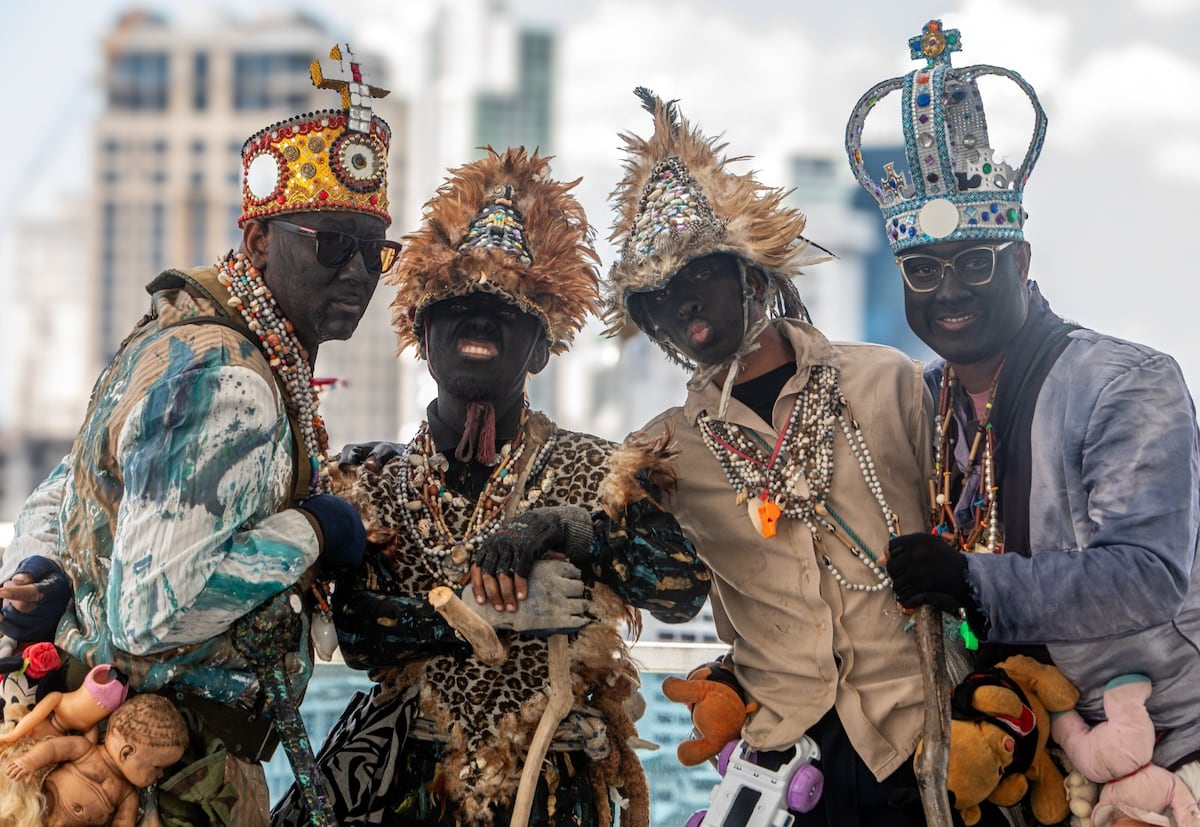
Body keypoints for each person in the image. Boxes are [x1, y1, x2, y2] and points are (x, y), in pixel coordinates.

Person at [0, 43, 398, 825]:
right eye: (329, 243)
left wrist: (45, 563)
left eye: (372, 249)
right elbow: (155, 611)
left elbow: (61, 491)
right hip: (159, 783)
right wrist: (316, 528)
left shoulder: (173, 339)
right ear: (258, 243)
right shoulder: (230, 377)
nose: (357, 272)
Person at [272, 146, 711, 827]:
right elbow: (357, 630)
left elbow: (682, 589)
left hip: (553, 790)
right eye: (459, 305)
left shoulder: (599, 470)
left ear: (540, 348)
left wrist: (570, 529)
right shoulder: (369, 478)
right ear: (423, 334)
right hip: (407, 788)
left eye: (506, 310)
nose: (479, 321)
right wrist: (480, 618)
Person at [845, 17, 1200, 807]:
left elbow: (1145, 577)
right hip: (1018, 749)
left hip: (1166, 748)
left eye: (975, 262)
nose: (949, 290)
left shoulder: (1127, 382)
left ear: (1023, 261)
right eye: (923, 269)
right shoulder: (922, 399)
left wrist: (970, 579)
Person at [602, 88, 936, 826]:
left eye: (699, 274)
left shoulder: (887, 382)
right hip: (783, 766)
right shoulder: (660, 452)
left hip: (922, 742)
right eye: (660, 295)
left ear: (751, 276)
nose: (684, 303)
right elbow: (634, 569)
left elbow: (972, 537)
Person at [2, 693, 189, 827]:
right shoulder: (84, 750)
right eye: (157, 767)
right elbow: (52, 749)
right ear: (126, 753)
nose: (161, 774)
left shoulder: (128, 797)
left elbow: (122, 823)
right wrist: (29, 762)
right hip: (40, 806)